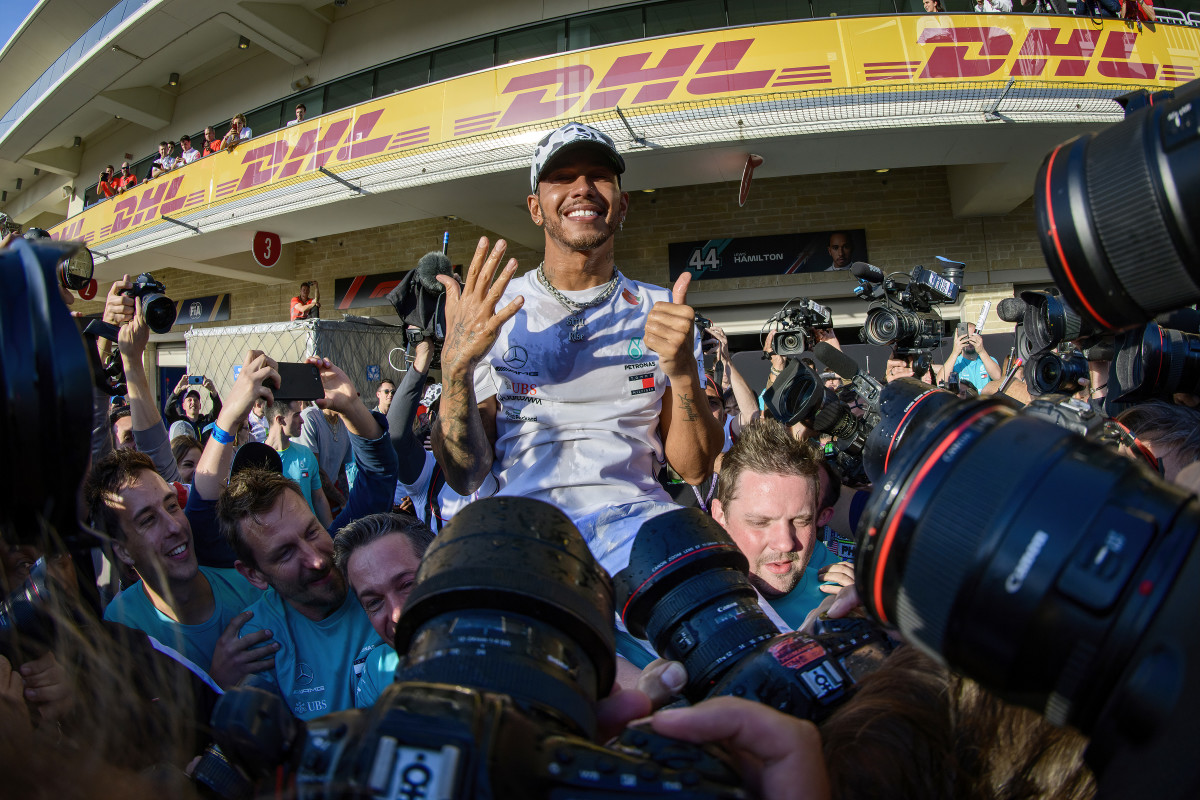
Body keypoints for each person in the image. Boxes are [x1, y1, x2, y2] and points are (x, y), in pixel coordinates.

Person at [433, 121, 723, 575]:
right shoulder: (495, 310)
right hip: (521, 531)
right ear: (535, 207)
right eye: (563, 177)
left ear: (622, 205)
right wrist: (454, 371)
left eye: (599, 176)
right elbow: (465, 474)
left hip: (640, 529)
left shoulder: (663, 309)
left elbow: (696, 470)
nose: (583, 188)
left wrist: (684, 372)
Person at [84, 450, 271, 689]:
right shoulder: (121, 628)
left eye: (172, 506)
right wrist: (214, 685)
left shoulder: (252, 592)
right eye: (148, 520)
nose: (174, 526)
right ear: (123, 551)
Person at [217, 468, 384, 719]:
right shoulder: (257, 644)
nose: (316, 561)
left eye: (312, 532)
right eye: (285, 553)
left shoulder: (383, 578)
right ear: (254, 575)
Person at [711, 418, 850, 628]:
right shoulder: (681, 618)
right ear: (720, 516)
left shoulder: (842, 598)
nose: (785, 543)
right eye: (760, 522)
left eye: (801, 520)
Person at [331, 511, 436, 707]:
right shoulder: (376, 672)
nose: (397, 614)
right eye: (374, 602)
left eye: (407, 584)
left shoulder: (501, 634)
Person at [264, 398, 333, 526]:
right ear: (280, 420)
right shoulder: (259, 459)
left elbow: (318, 499)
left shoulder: (305, 454)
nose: (302, 421)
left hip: (309, 536)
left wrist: (331, 536)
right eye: (296, 415)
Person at [940, 322, 999, 392]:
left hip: (984, 401)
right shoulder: (954, 363)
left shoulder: (987, 360)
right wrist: (955, 352)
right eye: (966, 338)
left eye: (973, 337)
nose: (970, 341)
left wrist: (981, 351)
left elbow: (997, 377)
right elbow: (940, 382)